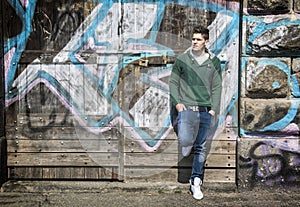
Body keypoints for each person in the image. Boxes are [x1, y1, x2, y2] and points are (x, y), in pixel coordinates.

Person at [169, 26, 222, 200]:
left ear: (206, 42)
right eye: (193, 39)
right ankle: (188, 143)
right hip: (187, 110)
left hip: (205, 110)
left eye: (198, 39)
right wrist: (177, 104)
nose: (194, 42)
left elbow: (217, 86)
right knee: (185, 140)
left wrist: (213, 109)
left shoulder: (213, 61)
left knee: (201, 147)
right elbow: (173, 83)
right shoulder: (182, 60)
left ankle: (196, 180)